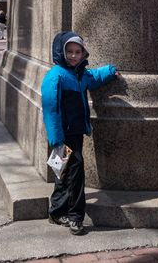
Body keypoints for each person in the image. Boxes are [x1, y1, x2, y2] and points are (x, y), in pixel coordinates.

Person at [41, 31, 118, 235]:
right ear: (61, 52)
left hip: (76, 134)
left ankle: (56, 212)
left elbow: (94, 78)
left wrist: (110, 71)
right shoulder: (55, 76)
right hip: (62, 136)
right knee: (74, 174)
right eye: (69, 52)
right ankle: (76, 216)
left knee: (63, 172)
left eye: (77, 52)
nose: (74, 56)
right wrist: (56, 139)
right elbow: (51, 109)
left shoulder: (81, 74)